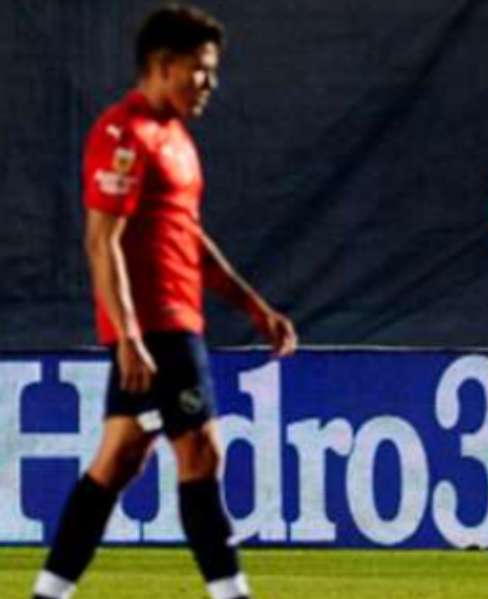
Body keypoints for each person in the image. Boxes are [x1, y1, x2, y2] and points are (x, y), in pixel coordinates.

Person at [32, 6, 297, 599]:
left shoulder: (175, 137)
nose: (209, 83)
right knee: (201, 454)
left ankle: (48, 592)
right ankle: (232, 593)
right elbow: (103, 241)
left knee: (119, 459)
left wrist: (254, 307)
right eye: (199, 70)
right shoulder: (123, 133)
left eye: (212, 71)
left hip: (175, 318)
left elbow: (188, 239)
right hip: (156, 326)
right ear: (163, 65)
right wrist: (128, 335)